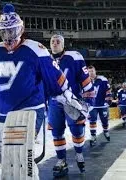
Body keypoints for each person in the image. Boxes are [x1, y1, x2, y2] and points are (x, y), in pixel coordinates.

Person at [0, 3, 88, 175]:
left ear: (21, 29)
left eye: (12, 31)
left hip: (31, 110)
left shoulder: (36, 50)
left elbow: (54, 77)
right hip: (4, 113)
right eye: (4, 31)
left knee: (21, 156)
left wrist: (67, 96)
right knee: (9, 160)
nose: (8, 36)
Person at [48, 34, 95, 177]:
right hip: (54, 102)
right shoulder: (45, 60)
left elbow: (85, 81)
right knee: (56, 132)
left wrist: (89, 103)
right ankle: (61, 160)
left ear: (63, 45)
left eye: (58, 42)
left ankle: (79, 154)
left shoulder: (74, 57)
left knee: (76, 131)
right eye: (52, 42)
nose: (55, 44)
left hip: (73, 101)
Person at [87, 65, 112, 147]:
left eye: (92, 71)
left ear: (95, 71)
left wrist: (108, 99)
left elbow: (108, 90)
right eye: (89, 71)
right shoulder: (85, 81)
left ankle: (105, 131)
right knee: (92, 121)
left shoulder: (103, 79)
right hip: (92, 105)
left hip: (102, 105)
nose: (91, 73)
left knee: (104, 120)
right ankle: (93, 136)